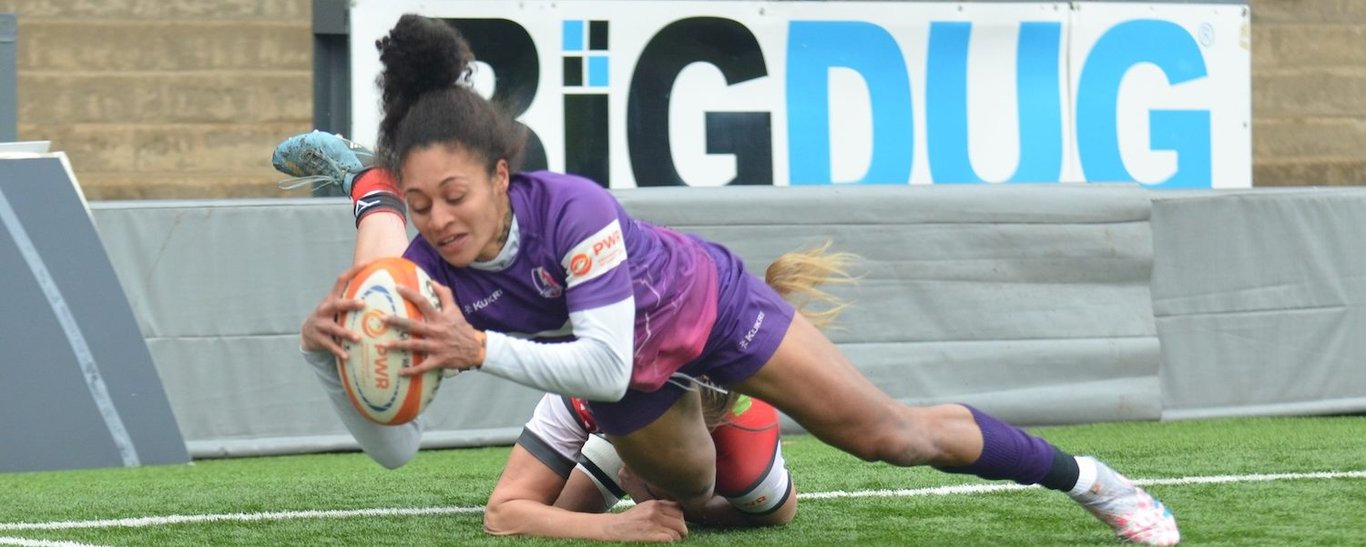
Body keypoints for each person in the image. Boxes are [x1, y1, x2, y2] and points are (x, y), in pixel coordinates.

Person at [284, 13, 1179, 546]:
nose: (443, 221)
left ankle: (1093, 481)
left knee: (891, 436)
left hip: (705, 309)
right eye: (420, 202)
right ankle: (367, 178)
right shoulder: (418, 270)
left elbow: (594, 363)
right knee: (696, 500)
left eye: (457, 195)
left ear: (503, 177)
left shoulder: (576, 208)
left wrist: (479, 347)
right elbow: (396, 445)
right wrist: (330, 364)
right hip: (632, 380)